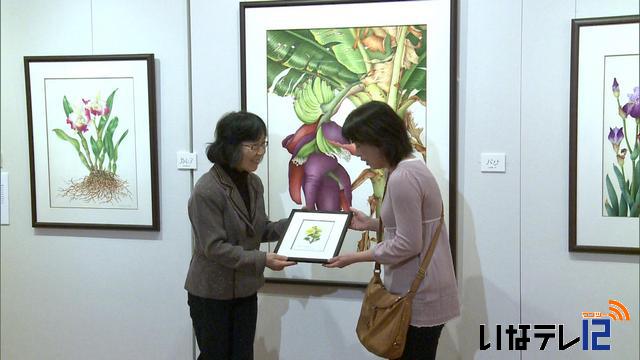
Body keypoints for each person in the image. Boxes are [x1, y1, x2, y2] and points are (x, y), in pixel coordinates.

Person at [325, 101, 460, 360]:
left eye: (360, 144)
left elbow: (409, 244)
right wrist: (374, 224)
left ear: (379, 140)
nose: (357, 152)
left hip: (418, 295)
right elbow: (415, 228)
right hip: (425, 290)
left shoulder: (402, 178)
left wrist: (355, 258)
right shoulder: (410, 167)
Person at [184, 111, 296, 360]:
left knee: (243, 356)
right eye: (253, 145)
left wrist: (297, 223)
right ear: (231, 146)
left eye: (263, 144)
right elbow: (214, 247)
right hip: (211, 294)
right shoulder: (207, 190)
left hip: (244, 290)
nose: (260, 152)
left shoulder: (253, 183)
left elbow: (259, 229)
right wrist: (263, 260)